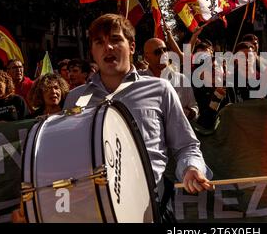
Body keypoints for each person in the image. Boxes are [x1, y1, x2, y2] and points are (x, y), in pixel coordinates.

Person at [63, 14, 213, 220]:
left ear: (132, 47)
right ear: (92, 51)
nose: (108, 47)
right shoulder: (76, 98)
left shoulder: (160, 89)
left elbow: (186, 145)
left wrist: (191, 168)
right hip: (94, 212)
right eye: (100, 42)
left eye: (115, 40)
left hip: (152, 208)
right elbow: (65, 157)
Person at [141, 38, 199, 122]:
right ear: (146, 58)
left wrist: (192, 113)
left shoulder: (182, 80)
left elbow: (194, 107)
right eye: (157, 52)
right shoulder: (140, 80)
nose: (164, 54)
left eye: (165, 50)